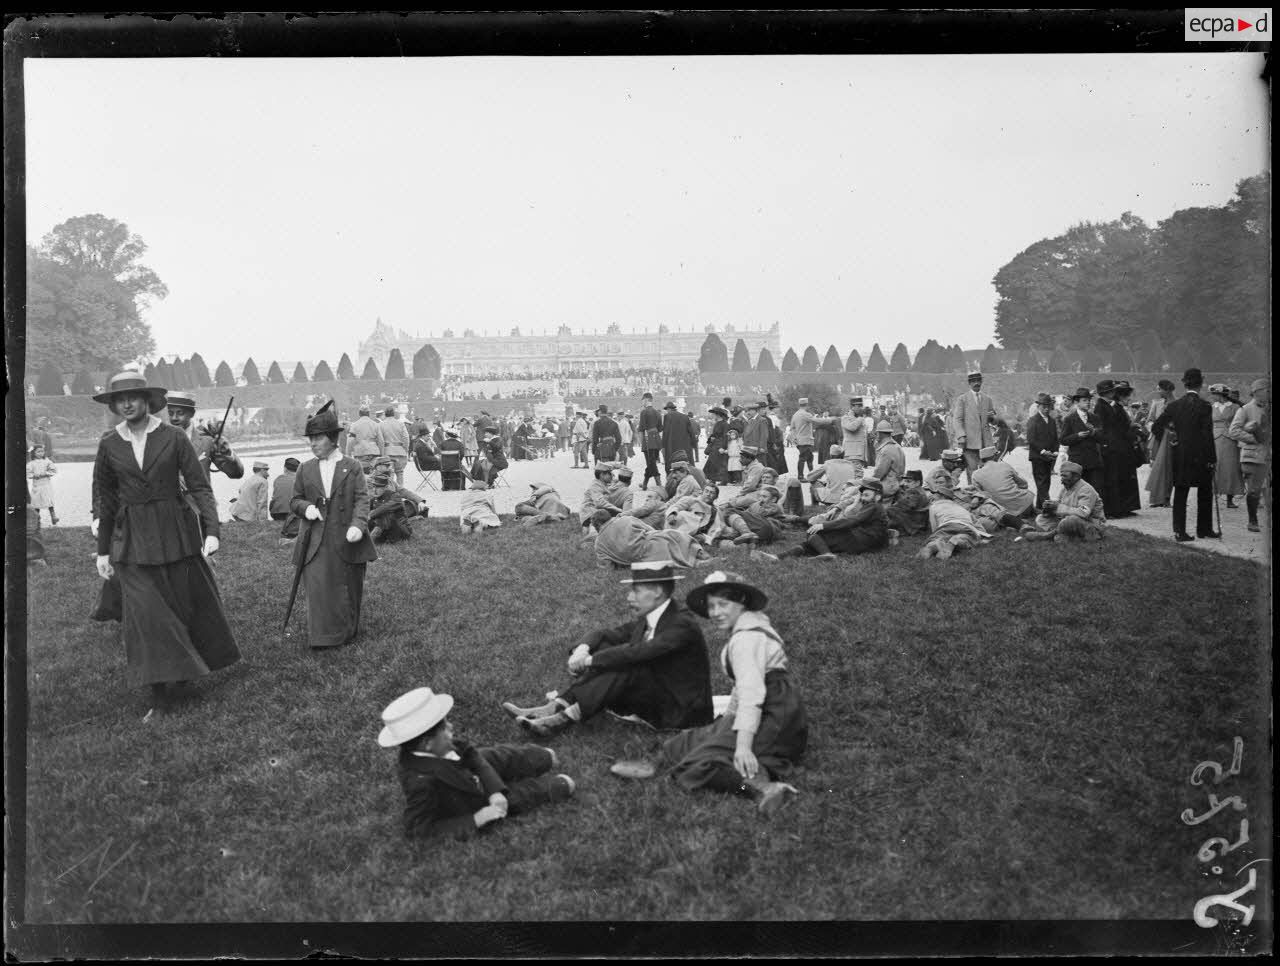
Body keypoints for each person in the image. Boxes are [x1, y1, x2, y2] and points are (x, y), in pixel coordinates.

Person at [91, 371, 240, 705]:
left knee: (180, 608)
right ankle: (159, 693)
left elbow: (199, 486)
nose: (126, 404)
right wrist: (103, 552)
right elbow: (107, 499)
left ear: (148, 401)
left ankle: (184, 678)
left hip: (176, 533)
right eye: (120, 399)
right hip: (133, 542)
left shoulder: (173, 437)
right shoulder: (109, 443)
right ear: (114, 405)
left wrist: (212, 531)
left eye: (133, 397)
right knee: (145, 616)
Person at [614, 571, 805, 818]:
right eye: (712, 606)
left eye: (724, 604)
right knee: (686, 741)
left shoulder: (747, 639)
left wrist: (744, 745)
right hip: (766, 705)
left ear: (742, 604)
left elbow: (752, 694)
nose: (716, 613)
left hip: (774, 716)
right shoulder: (746, 628)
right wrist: (726, 723)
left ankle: (763, 788)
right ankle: (656, 764)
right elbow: (741, 689)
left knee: (700, 764)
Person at [502, 561, 713, 737]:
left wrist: (589, 662)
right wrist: (582, 650)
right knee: (606, 648)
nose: (629, 597)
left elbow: (639, 653)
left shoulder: (682, 623)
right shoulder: (653, 616)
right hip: (654, 695)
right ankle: (555, 707)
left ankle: (561, 718)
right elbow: (606, 634)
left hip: (680, 710)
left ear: (657, 591)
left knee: (626, 663)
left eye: (635, 590)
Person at [381, 687, 574, 842]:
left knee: (498, 756)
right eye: (445, 728)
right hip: (469, 799)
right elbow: (419, 831)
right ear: (427, 744)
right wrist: (476, 819)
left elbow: (473, 756)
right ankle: (549, 787)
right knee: (514, 799)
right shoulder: (421, 783)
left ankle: (539, 758)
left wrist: (495, 789)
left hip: (471, 771)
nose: (451, 728)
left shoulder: (441, 746)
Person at [290, 400, 378, 649]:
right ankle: (321, 636)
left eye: (317, 438)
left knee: (347, 586)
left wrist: (358, 525)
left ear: (332, 438)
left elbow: (362, 499)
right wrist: (305, 508)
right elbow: (295, 500)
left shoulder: (352, 467)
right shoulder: (304, 469)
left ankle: (347, 631)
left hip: (346, 536)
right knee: (318, 588)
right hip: (315, 539)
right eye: (310, 439)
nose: (313, 444)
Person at [1152, 367, 1219, 542]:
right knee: (1205, 491)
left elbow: (1156, 426)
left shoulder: (1175, 405)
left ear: (1184, 384)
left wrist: (1173, 436)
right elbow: (1207, 435)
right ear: (1201, 383)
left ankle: (1179, 532)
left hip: (1180, 455)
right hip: (1202, 456)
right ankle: (1204, 529)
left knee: (1181, 493)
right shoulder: (1205, 406)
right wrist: (1212, 459)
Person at [769, 478, 891, 560]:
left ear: (878, 496)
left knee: (815, 532)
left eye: (867, 495)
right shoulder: (874, 506)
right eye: (862, 495)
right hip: (864, 540)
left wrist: (823, 525)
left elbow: (853, 520)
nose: (863, 498)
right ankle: (778, 557)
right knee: (814, 541)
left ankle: (826, 554)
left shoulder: (874, 506)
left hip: (863, 541)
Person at [1019, 461, 1106, 543]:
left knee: (1071, 520)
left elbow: (1083, 513)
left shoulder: (1086, 490)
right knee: (1041, 518)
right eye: (1061, 476)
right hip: (1069, 521)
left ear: (1076, 477)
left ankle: (1048, 535)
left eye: (1065, 476)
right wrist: (1050, 508)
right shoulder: (1066, 488)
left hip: (1092, 526)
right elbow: (1060, 504)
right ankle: (1063, 534)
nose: (1062, 479)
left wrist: (1057, 507)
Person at [915, 468, 993, 560]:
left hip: (946, 525)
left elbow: (934, 524)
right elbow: (976, 523)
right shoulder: (960, 508)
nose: (933, 495)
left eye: (935, 494)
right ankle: (958, 540)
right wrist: (981, 535)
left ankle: (933, 544)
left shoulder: (934, 507)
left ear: (941, 496)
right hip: (965, 526)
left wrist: (935, 533)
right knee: (969, 538)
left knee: (938, 537)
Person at [1228, 377, 1270, 533]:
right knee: (1254, 490)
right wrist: (1254, 438)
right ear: (1258, 392)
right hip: (1253, 456)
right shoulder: (1245, 409)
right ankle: (1253, 520)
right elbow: (1233, 431)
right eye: (1268, 390)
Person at [951, 371, 998, 484]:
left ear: (981, 382)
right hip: (970, 442)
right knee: (971, 471)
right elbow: (957, 419)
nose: (976, 383)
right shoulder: (962, 399)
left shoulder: (988, 399)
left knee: (986, 471)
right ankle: (973, 493)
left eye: (978, 381)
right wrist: (961, 436)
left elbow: (993, 419)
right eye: (973, 381)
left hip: (985, 442)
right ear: (969, 383)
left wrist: (992, 418)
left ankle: (984, 495)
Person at [1059, 387, 1105, 496]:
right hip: (1077, 461)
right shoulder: (1069, 419)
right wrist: (1077, 436)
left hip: (1093, 460)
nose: (1088, 403)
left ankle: (1092, 512)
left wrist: (1093, 432)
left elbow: (1102, 437)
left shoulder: (1095, 418)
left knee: (1094, 490)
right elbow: (1063, 440)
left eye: (1089, 400)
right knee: (1077, 490)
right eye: (1085, 400)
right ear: (1076, 402)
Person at [971, 445, 1034, 520]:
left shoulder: (975, 474)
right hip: (1024, 506)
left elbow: (979, 494)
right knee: (1027, 494)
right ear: (995, 456)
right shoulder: (1004, 465)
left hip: (1001, 511)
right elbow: (1024, 484)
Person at [368, 467, 429, 543]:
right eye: (374, 486)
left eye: (378, 487)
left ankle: (372, 538)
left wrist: (420, 501)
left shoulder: (394, 494)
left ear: (386, 487)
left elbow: (388, 506)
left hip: (398, 528)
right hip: (385, 522)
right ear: (377, 466)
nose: (374, 489)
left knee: (388, 513)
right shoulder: (368, 483)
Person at [1209, 384, 1245, 509]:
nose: (1212, 396)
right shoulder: (1211, 407)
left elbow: (1241, 423)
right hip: (1215, 439)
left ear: (1220, 394)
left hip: (1230, 440)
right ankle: (1213, 496)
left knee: (1231, 468)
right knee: (1216, 466)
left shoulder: (1236, 407)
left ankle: (1230, 499)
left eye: (1214, 394)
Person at [1024, 392, 1060, 510]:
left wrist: (1055, 451)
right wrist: (1043, 451)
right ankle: (1048, 507)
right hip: (1038, 456)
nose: (1046, 409)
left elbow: (1055, 438)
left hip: (1049, 457)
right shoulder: (1033, 420)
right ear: (1038, 406)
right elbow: (1031, 439)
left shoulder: (1052, 420)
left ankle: (1040, 507)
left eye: (1048, 406)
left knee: (1047, 482)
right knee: (1041, 482)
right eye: (1043, 406)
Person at [864, 421, 905, 497]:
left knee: (861, 490)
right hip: (897, 482)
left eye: (877, 433)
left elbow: (879, 473)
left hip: (888, 485)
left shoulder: (886, 449)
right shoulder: (897, 446)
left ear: (879, 434)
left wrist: (867, 483)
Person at [886, 469, 931, 536]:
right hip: (919, 521)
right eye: (905, 481)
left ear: (917, 483)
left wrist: (896, 503)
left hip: (914, 523)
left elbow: (907, 506)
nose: (905, 484)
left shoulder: (915, 493)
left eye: (908, 481)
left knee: (890, 510)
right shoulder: (920, 490)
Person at [376, 405, 411, 486]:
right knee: (400, 473)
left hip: (387, 452)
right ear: (394, 414)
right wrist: (405, 449)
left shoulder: (380, 425)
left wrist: (381, 453)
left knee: (389, 474)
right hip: (400, 452)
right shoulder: (400, 424)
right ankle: (400, 493)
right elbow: (406, 438)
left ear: (385, 414)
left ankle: (391, 494)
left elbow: (380, 440)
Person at [662, 400, 698, 476]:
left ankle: (672, 479)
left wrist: (663, 445)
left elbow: (665, 432)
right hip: (685, 445)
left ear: (668, 409)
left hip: (672, 445)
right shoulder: (685, 417)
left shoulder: (667, 416)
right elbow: (691, 432)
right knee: (686, 462)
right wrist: (694, 444)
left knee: (672, 463)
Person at [26, 443, 59, 526]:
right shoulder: (31, 464)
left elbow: (54, 470)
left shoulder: (47, 461)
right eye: (38, 452)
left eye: (42, 451)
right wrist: (34, 475)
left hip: (46, 484)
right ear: (33, 453)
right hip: (37, 485)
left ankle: (53, 517)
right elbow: (28, 474)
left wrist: (46, 473)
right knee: (36, 503)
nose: (41, 453)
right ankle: (37, 520)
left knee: (49, 501)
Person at [345, 404, 382, 474]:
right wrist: (381, 455)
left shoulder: (354, 425)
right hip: (374, 453)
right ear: (369, 414)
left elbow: (350, 441)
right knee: (373, 476)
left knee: (361, 475)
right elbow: (381, 441)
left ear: (359, 413)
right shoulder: (376, 425)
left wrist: (348, 455)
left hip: (360, 453)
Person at [271, 456, 302, 539]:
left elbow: (275, 497)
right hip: (292, 513)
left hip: (276, 513)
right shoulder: (301, 479)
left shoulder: (278, 479)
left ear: (285, 468)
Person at [638, 393, 664, 488]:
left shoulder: (643, 412)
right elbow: (660, 428)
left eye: (643, 400)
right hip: (656, 439)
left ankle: (658, 482)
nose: (642, 402)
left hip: (648, 438)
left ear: (646, 400)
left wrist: (642, 443)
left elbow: (641, 429)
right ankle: (645, 483)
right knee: (651, 462)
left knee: (650, 462)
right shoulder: (657, 412)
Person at [703, 406, 730, 484]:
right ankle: (713, 478)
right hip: (715, 445)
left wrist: (723, 447)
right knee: (713, 462)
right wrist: (710, 440)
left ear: (718, 415)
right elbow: (714, 434)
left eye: (714, 414)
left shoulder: (725, 424)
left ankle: (722, 479)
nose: (712, 415)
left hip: (720, 445)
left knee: (719, 463)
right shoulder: (717, 423)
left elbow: (725, 436)